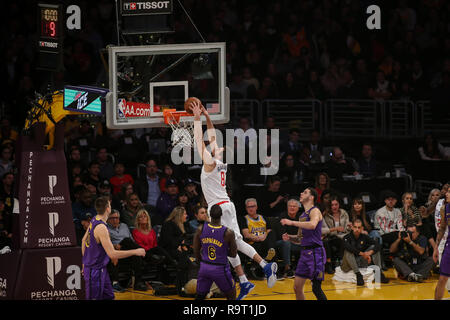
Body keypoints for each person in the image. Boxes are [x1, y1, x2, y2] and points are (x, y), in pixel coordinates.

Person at [191, 100, 277, 300]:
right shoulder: (220, 162)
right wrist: (207, 117)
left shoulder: (211, 162)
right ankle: (246, 281)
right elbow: (211, 136)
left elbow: (198, 140)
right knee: (230, 245)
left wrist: (197, 118)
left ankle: (265, 266)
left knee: (234, 244)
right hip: (225, 206)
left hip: (219, 209)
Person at [81, 197, 146, 300]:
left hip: (101, 269)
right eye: (110, 205)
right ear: (108, 208)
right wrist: (136, 251)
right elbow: (112, 254)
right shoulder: (101, 228)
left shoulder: (94, 219)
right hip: (95, 270)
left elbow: (84, 241)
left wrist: (84, 262)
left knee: (109, 297)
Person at [280, 187, 327, 300]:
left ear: (311, 197)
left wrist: (291, 222)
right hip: (304, 253)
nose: (301, 193)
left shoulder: (315, 211)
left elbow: (312, 225)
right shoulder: (302, 216)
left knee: (316, 288)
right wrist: (290, 238)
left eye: (305, 192)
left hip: (316, 253)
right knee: (297, 287)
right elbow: (300, 238)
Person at [193, 204, 238, 300]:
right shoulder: (228, 232)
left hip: (205, 267)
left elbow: (196, 250)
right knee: (232, 295)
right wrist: (222, 252)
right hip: (220, 268)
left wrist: (201, 261)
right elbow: (234, 254)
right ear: (221, 215)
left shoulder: (201, 229)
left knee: (200, 296)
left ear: (209, 214)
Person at [106, 209, 148, 292]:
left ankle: (137, 283)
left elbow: (132, 242)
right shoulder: (105, 228)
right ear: (107, 219)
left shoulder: (124, 226)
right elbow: (105, 244)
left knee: (133, 249)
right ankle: (146, 254)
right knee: (127, 241)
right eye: (112, 218)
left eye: (117, 218)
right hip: (115, 252)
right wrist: (114, 246)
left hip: (127, 251)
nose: (115, 220)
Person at [159, 206, 195, 295]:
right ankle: (182, 282)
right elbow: (168, 241)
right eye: (185, 214)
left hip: (180, 249)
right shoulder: (169, 224)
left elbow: (187, 237)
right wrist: (180, 243)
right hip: (168, 250)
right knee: (185, 257)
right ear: (179, 215)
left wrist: (183, 243)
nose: (186, 216)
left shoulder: (184, 225)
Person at [341, 219, 389, 286]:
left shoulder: (364, 237)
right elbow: (349, 248)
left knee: (375, 249)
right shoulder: (346, 237)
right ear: (352, 227)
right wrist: (363, 254)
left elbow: (377, 244)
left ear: (362, 228)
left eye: (359, 227)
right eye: (355, 227)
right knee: (348, 251)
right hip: (348, 264)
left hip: (360, 262)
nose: (357, 229)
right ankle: (358, 275)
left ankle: (379, 273)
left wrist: (370, 252)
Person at [240, 198, 277, 263]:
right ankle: (269, 257)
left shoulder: (263, 218)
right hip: (254, 244)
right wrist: (258, 238)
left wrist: (264, 236)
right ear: (246, 208)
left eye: (253, 206)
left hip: (265, 241)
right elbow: (246, 235)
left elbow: (269, 230)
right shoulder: (244, 219)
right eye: (248, 207)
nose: (251, 208)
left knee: (272, 232)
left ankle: (270, 253)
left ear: (256, 207)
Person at [322, 195, 351, 274]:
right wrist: (336, 230)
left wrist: (349, 227)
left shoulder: (344, 213)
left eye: (336, 204)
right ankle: (333, 264)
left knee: (345, 238)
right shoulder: (326, 215)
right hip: (332, 237)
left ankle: (342, 263)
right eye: (332, 205)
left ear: (339, 205)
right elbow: (325, 230)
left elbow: (346, 228)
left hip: (344, 235)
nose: (334, 207)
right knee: (337, 240)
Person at [278, 199, 302, 278]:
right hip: (282, 243)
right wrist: (296, 238)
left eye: (294, 206)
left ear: (298, 208)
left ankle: (305, 268)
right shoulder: (282, 216)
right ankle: (287, 269)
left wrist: (294, 237)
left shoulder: (301, 217)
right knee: (286, 243)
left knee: (309, 242)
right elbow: (284, 237)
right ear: (287, 207)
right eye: (290, 206)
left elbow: (302, 235)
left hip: (298, 242)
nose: (292, 208)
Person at [433, 187, 450, 297]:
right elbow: (442, 228)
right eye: (447, 191)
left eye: (449, 192)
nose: (446, 194)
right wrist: (435, 248)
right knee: (442, 278)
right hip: (449, 246)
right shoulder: (445, 208)